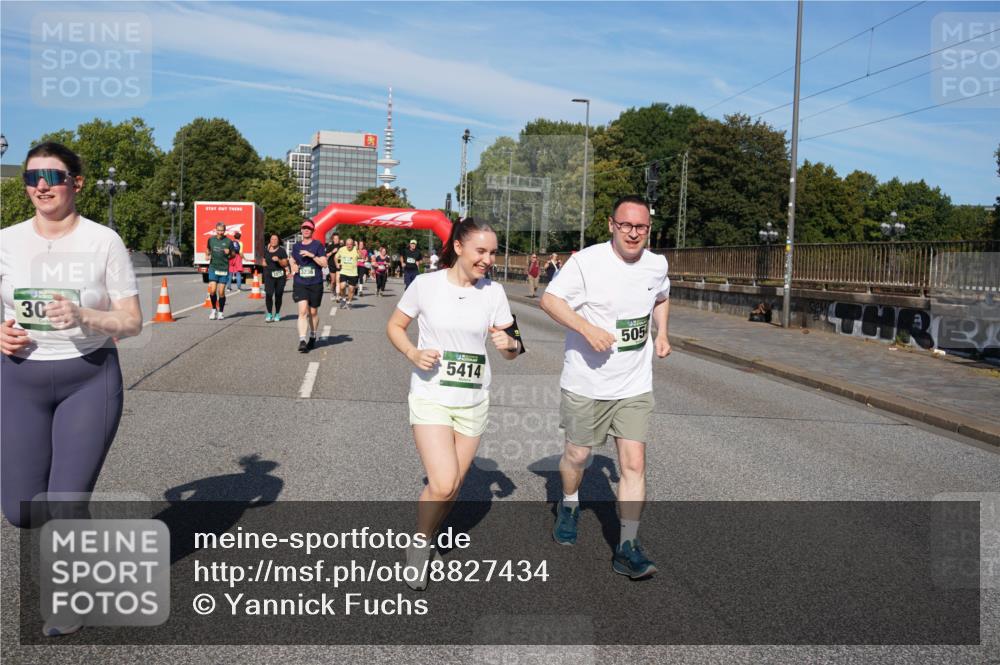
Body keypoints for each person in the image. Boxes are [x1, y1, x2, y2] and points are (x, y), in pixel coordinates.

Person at [0, 142, 142, 635]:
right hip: (19, 379)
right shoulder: (6, 241)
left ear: (75, 183)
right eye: (33, 175)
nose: (41, 184)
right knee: (20, 510)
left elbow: (132, 321)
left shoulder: (104, 241)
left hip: (89, 376)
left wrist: (85, 315)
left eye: (53, 176)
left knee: (64, 500)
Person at [386, 217, 524, 591]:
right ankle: (419, 543)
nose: (488, 259)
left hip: (474, 400)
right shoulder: (426, 286)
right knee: (444, 482)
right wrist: (413, 353)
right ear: (459, 247)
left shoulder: (493, 293)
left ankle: (428, 531)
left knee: (453, 487)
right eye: (481, 251)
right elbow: (394, 327)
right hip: (432, 396)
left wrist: (510, 347)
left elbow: (513, 345)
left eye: (493, 252)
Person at [539, 195, 671, 580]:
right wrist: (586, 328)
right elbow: (549, 300)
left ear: (649, 229)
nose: (634, 233)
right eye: (626, 225)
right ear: (611, 224)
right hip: (586, 381)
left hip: (634, 384)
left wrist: (662, 332)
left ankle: (627, 545)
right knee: (577, 457)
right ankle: (569, 502)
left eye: (641, 227)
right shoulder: (587, 263)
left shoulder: (656, 264)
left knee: (634, 463)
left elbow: (661, 297)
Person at [289, 219, 328, 353]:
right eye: (304, 228)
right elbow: (292, 259)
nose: (306, 230)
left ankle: (312, 335)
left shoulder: (318, 245)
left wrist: (312, 256)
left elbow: (324, 263)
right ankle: (302, 340)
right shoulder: (296, 246)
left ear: (313, 231)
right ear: (301, 230)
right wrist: (292, 265)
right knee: (303, 311)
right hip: (300, 283)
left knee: (313, 312)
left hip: (315, 282)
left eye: (309, 228)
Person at [207, 222, 234, 319]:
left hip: (223, 269)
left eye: (222, 230)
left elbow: (233, 255)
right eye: (218, 230)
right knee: (213, 290)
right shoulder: (211, 240)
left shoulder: (228, 241)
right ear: (216, 230)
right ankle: (214, 309)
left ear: (224, 231)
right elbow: (208, 249)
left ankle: (221, 312)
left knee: (221, 292)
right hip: (213, 267)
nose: (220, 232)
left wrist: (229, 252)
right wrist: (207, 254)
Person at [263, 233, 289, 322]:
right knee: (269, 294)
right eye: (272, 239)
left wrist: (279, 260)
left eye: (275, 239)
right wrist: (263, 264)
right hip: (269, 275)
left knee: (278, 295)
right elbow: (262, 260)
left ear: (278, 241)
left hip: (280, 276)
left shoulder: (282, 251)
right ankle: (269, 313)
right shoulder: (266, 250)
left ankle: (277, 313)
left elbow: (285, 264)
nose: (273, 241)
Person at [335, 237, 360, 310]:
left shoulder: (355, 249)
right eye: (347, 244)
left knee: (351, 289)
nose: (349, 246)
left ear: (353, 244)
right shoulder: (342, 249)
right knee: (342, 286)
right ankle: (343, 299)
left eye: (351, 244)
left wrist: (358, 248)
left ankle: (349, 302)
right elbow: (336, 257)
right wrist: (337, 263)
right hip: (344, 271)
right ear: (345, 244)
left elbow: (362, 256)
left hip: (353, 273)